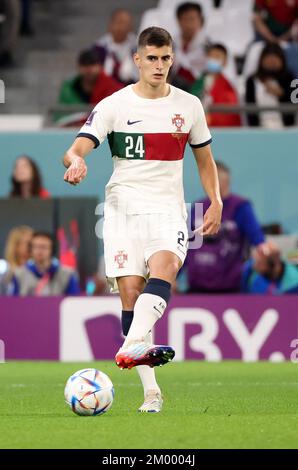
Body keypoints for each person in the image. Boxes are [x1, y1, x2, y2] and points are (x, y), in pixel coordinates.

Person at [63, 26, 222, 413]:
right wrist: (78, 160)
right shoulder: (114, 105)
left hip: (167, 208)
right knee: (132, 291)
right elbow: (75, 148)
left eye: (165, 58)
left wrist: (215, 199)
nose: (159, 65)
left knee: (164, 268)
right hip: (122, 209)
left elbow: (204, 159)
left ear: (172, 59)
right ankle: (151, 391)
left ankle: (129, 348)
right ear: (137, 59)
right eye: (151, 58)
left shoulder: (189, 106)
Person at [184, 161, 264, 293]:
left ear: (224, 182)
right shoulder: (198, 206)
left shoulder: (240, 207)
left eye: (212, 179)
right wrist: (173, 277)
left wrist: (264, 249)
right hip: (196, 288)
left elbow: (258, 239)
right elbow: (186, 245)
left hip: (230, 288)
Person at [57, 49, 123, 126]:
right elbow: (60, 118)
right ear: (78, 67)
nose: (88, 69)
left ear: (100, 66)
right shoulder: (68, 89)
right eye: (84, 65)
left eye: (92, 64)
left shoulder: (112, 88)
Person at [12, 231, 80, 296]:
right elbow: (13, 302)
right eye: (35, 247)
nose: (39, 251)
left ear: (52, 249)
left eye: (44, 247)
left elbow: (74, 300)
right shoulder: (19, 274)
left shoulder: (67, 274)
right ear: (30, 249)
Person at [190, 43, 241, 127]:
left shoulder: (227, 88)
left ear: (225, 62)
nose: (212, 59)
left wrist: (210, 119)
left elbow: (229, 116)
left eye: (217, 57)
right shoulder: (198, 82)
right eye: (210, 56)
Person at [245, 43, 295, 128]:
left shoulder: (290, 78)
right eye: (268, 57)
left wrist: (282, 94)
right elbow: (250, 108)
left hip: (286, 129)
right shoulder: (252, 80)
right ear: (261, 60)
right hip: (260, 129)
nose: (272, 61)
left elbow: (295, 103)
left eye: (275, 57)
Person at [93, 9, 137, 85]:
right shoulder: (99, 48)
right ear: (110, 25)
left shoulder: (138, 47)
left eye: (125, 23)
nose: (121, 27)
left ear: (131, 27)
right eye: (119, 23)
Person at [171, 2, 208, 90]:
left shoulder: (209, 46)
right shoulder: (170, 44)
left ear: (200, 21)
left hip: (199, 90)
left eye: (192, 19)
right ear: (178, 21)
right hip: (174, 88)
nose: (189, 24)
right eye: (185, 19)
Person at [0, 225, 33, 294]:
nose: (32, 247)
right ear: (16, 245)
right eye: (29, 243)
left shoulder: (39, 271)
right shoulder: (4, 270)